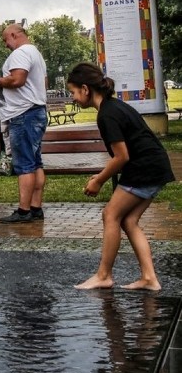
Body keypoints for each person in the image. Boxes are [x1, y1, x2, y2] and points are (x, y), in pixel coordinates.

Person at [67, 62, 174, 291]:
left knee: (110, 215)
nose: (73, 98)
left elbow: (121, 156)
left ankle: (104, 275)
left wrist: (98, 180)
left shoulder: (107, 114)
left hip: (144, 168)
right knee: (128, 220)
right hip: (155, 166)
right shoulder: (114, 106)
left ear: (85, 89)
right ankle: (149, 278)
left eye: (73, 92)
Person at [0, 23, 48, 223]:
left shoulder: (20, 53)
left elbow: (17, 80)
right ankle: (36, 207)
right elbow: (43, 84)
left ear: (14, 35)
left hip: (23, 114)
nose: (5, 45)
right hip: (36, 111)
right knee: (35, 162)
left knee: (24, 164)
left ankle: (24, 211)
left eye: (5, 40)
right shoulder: (36, 53)